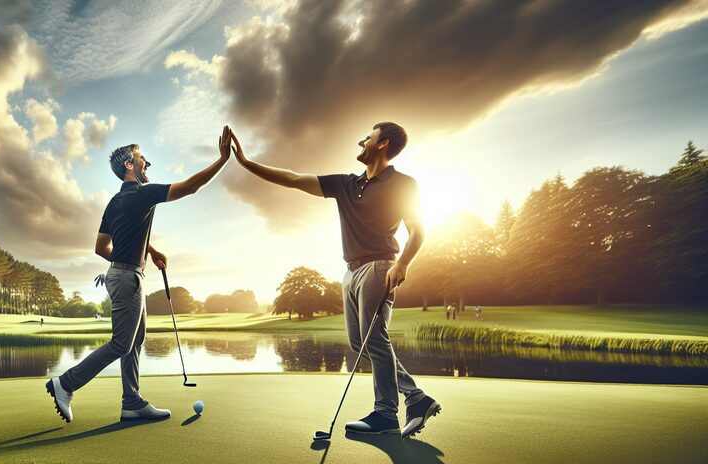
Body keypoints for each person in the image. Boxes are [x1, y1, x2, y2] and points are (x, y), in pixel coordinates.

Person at [228, 122, 440, 438]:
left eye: (368, 136)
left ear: (382, 144)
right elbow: (293, 179)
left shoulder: (403, 183)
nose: (361, 139)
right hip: (350, 273)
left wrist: (404, 263)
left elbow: (418, 230)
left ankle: (385, 413)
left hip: (379, 267)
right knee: (360, 342)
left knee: (375, 339)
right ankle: (416, 397)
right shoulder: (346, 184)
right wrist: (246, 163)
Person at [45, 127, 233, 423]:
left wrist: (148, 252)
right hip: (127, 277)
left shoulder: (116, 202)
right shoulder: (144, 194)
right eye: (142, 158)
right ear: (129, 165)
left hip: (125, 275)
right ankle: (65, 384)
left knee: (135, 340)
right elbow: (191, 187)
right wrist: (222, 160)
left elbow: (101, 247)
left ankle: (131, 402)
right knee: (122, 342)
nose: (148, 163)